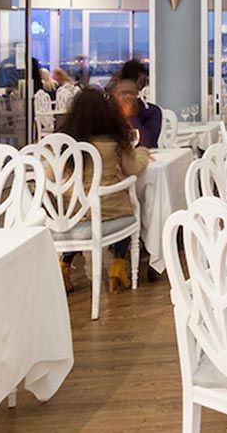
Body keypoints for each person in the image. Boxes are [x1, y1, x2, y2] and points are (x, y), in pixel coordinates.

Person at [57, 88, 150, 294]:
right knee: (128, 210)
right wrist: (142, 150)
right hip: (108, 208)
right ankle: (117, 265)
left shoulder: (64, 143)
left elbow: (50, 173)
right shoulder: (113, 141)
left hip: (73, 212)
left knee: (79, 220)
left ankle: (64, 265)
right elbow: (133, 168)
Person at [113, 79, 162, 149]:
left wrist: (130, 117)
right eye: (122, 93)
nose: (126, 97)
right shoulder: (111, 111)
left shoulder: (151, 110)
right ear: (116, 96)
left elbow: (150, 142)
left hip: (146, 153)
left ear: (137, 95)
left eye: (130, 93)